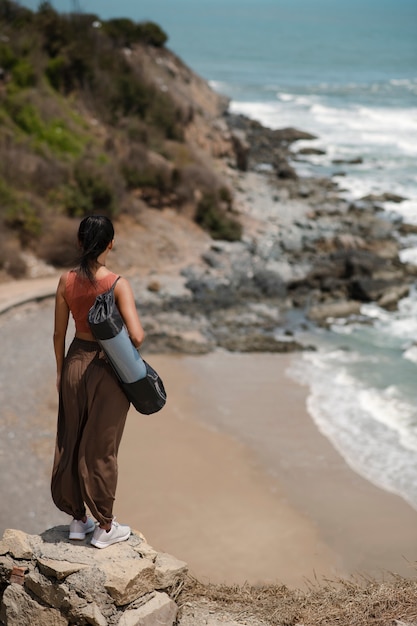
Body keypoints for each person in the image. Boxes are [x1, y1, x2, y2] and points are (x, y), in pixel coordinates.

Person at [51, 215, 145, 549]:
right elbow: (136, 335)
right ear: (111, 243)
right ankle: (105, 526)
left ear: (79, 242)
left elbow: (59, 334)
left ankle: (78, 520)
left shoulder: (66, 281)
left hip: (75, 362)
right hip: (107, 368)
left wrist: (62, 372)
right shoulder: (118, 283)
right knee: (102, 449)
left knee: (72, 439)